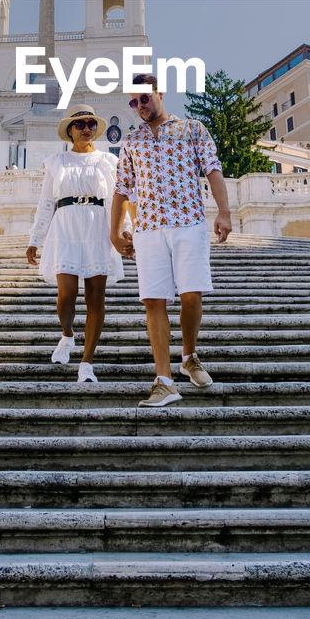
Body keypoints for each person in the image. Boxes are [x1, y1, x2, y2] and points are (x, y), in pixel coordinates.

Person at [110, 73, 232, 407]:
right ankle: (164, 381)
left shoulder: (192, 128)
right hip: (148, 229)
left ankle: (189, 355)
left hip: (189, 222)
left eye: (144, 99)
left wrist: (224, 212)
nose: (139, 106)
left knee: (191, 295)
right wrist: (114, 230)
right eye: (133, 102)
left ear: (159, 92)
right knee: (153, 300)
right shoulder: (131, 142)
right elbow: (122, 188)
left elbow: (213, 169)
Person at [26, 107, 125, 383]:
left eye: (91, 123)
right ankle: (67, 335)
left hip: (97, 227)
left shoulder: (107, 161)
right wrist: (35, 239)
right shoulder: (56, 162)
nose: (85, 128)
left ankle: (87, 362)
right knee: (66, 294)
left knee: (96, 297)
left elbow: (118, 200)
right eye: (79, 124)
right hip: (65, 225)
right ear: (70, 130)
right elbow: (46, 202)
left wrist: (123, 232)